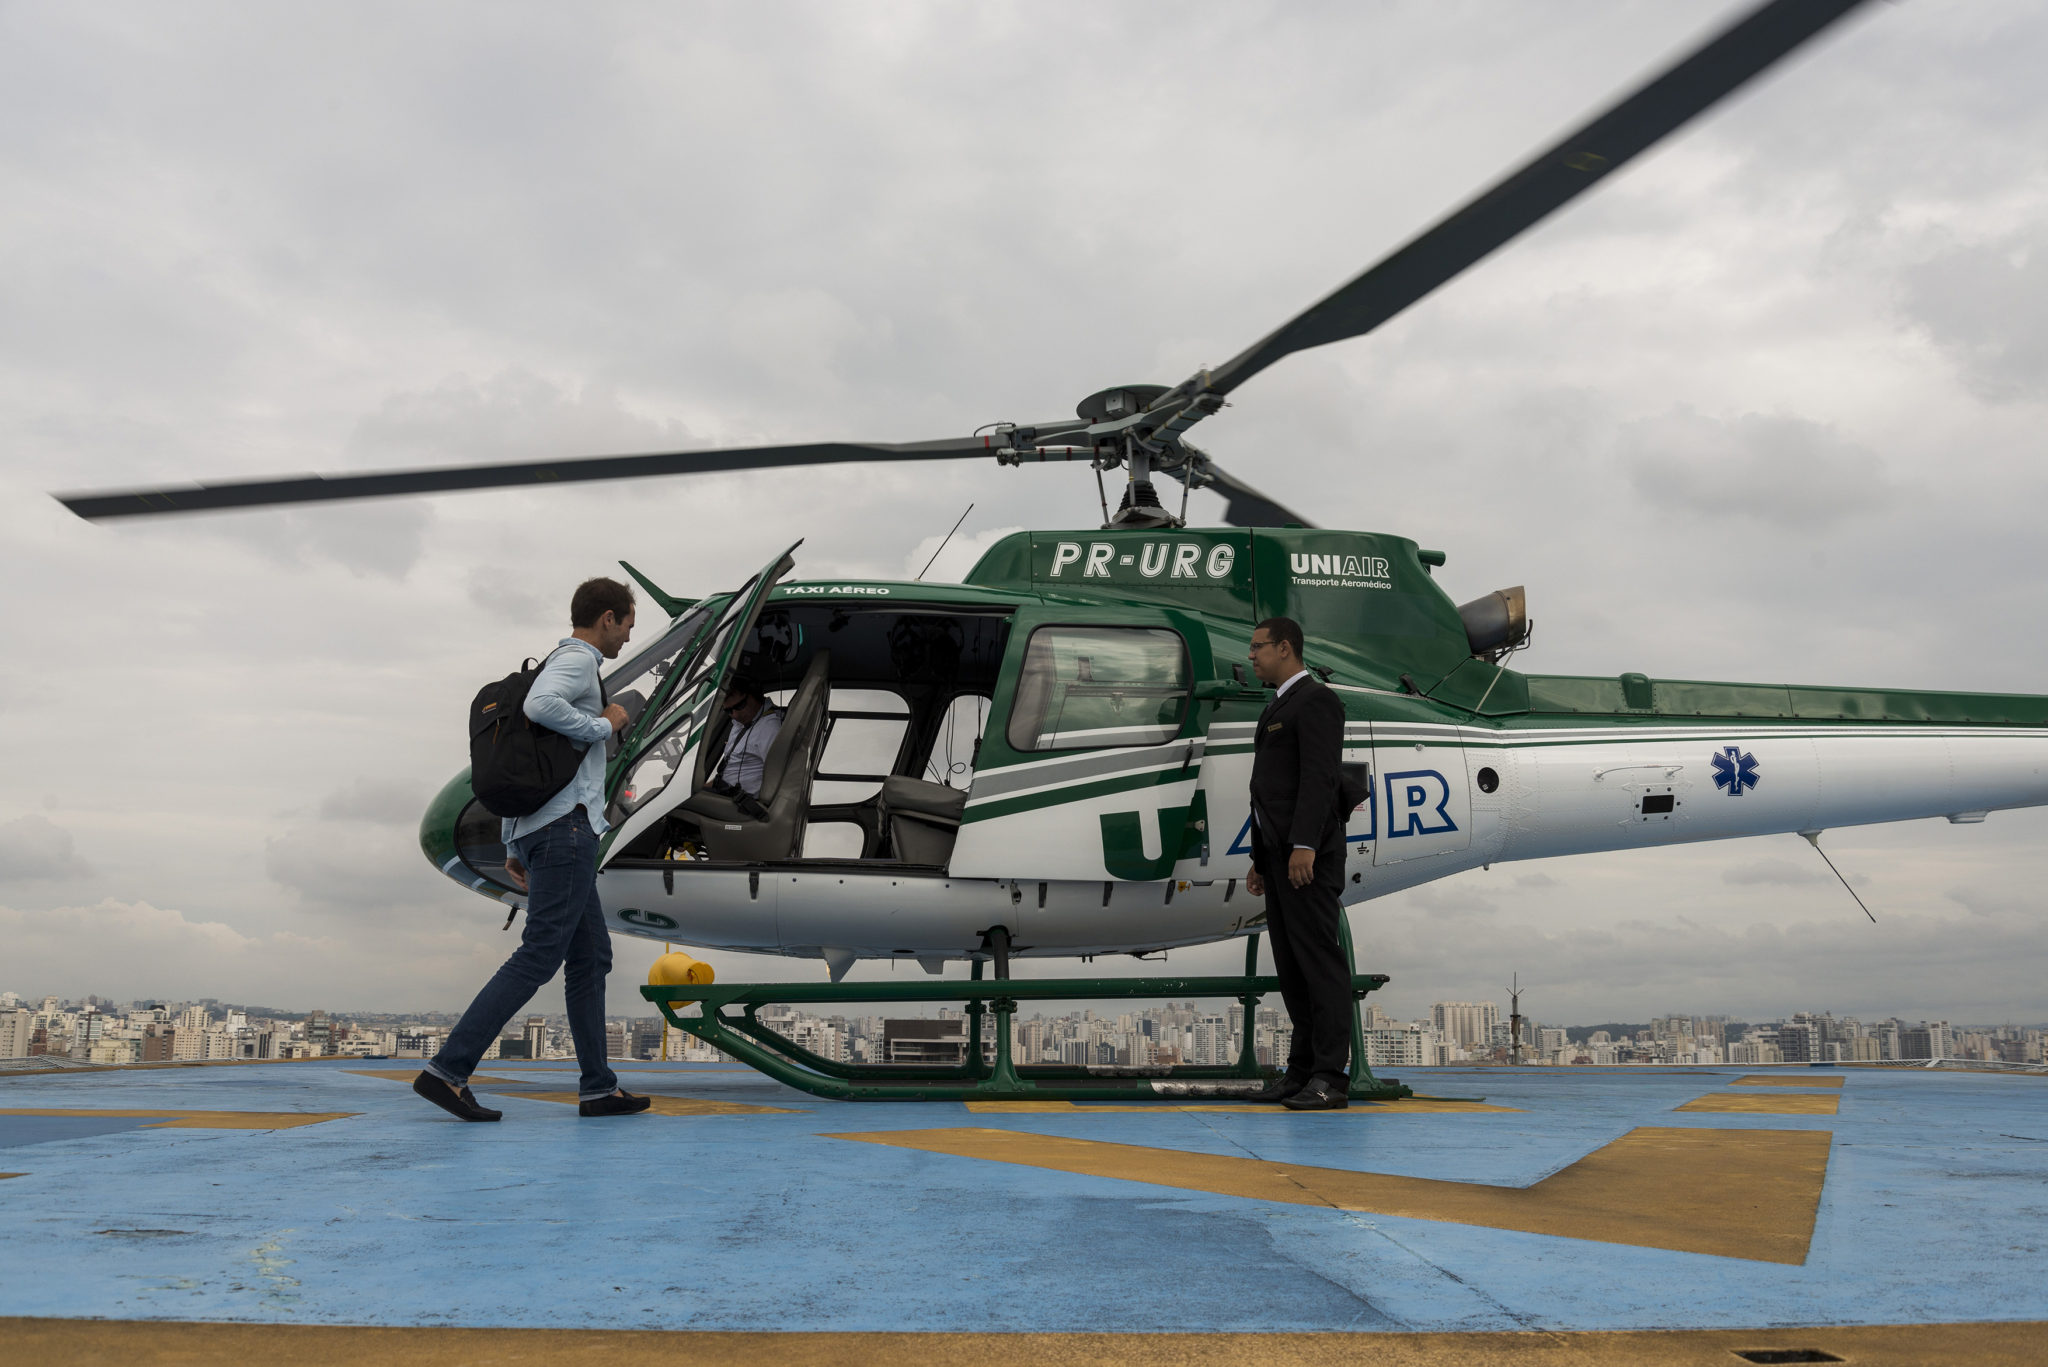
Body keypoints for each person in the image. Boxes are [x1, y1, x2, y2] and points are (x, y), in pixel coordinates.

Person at [414, 577, 652, 1122]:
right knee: (541, 953)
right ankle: (447, 1071)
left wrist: (511, 842)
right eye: (626, 628)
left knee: (590, 957)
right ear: (608, 618)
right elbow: (546, 707)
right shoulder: (575, 662)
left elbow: (532, 767)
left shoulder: (551, 662)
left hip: (542, 830)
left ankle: (597, 1087)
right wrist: (603, 724)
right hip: (567, 833)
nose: (625, 641)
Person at [1242, 616, 1352, 1111]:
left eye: (1258, 647)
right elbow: (1266, 791)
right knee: (1292, 969)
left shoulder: (1317, 700)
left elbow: (1319, 778)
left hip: (1308, 859)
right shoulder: (1277, 706)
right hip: (1280, 859)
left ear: (1285, 648)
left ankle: (1330, 1076)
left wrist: (1305, 844)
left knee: (1319, 966)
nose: (1251, 655)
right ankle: (1301, 1071)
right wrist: (1260, 860)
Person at [711, 682, 784, 798]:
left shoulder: (769, 728)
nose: (735, 715)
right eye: (728, 711)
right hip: (722, 791)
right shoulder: (739, 723)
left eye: (739, 706)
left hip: (739, 802)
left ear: (754, 695)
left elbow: (780, 780)